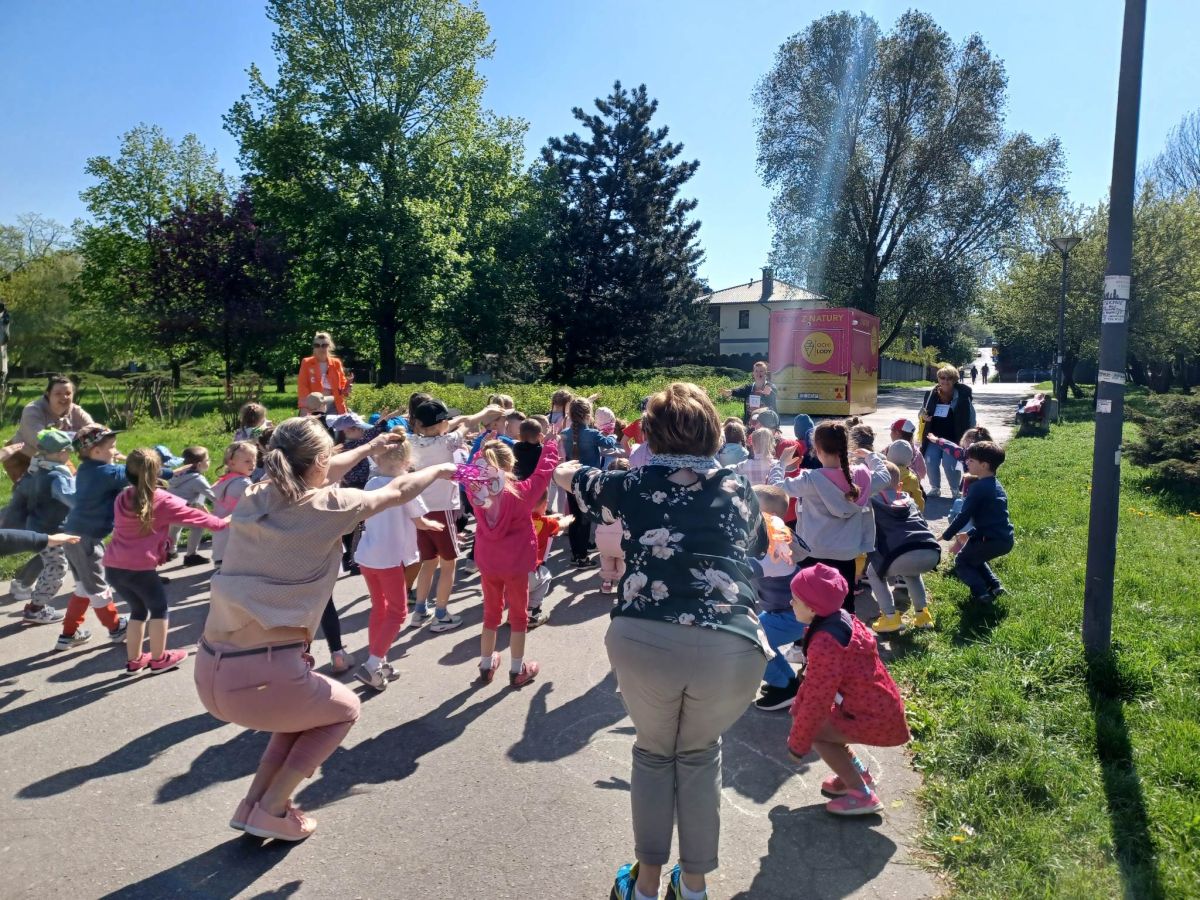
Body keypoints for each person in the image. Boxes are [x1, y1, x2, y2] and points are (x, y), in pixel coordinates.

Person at [555, 382, 770, 900]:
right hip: (731, 645)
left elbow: (570, 475)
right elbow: (757, 544)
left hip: (644, 636)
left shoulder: (629, 484)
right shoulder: (738, 489)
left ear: (649, 435)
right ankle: (693, 887)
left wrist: (572, 463)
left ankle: (645, 886)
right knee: (698, 754)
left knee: (654, 755)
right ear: (713, 431)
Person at [194, 416, 454, 841]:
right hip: (264, 674)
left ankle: (254, 805)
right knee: (345, 708)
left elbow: (320, 470)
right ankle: (274, 806)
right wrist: (438, 470)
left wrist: (370, 448)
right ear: (318, 462)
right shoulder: (327, 508)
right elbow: (398, 490)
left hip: (212, 669)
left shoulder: (258, 493)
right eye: (328, 457)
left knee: (300, 717)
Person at [787, 564, 910, 815]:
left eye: (795, 600)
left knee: (818, 734)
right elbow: (814, 684)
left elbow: (817, 698)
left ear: (812, 608)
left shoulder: (825, 643)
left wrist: (798, 742)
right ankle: (857, 776)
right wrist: (798, 709)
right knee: (826, 727)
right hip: (875, 707)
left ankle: (862, 795)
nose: (790, 603)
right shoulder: (840, 619)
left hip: (871, 716)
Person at [105, 448, 229, 674]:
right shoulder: (161, 500)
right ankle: (159, 658)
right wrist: (233, 516)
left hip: (113, 566)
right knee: (159, 609)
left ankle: (134, 662)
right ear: (159, 472)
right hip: (140, 569)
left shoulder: (122, 496)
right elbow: (214, 523)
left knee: (138, 611)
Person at [352, 430, 445, 691]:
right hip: (390, 559)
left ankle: (378, 660)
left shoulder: (371, 485)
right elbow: (419, 520)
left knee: (379, 609)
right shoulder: (407, 487)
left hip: (368, 557)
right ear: (407, 462)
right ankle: (372, 665)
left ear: (377, 461)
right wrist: (433, 526)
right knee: (398, 612)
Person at [769, 421, 890, 612]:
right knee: (845, 601)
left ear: (816, 449)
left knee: (810, 601)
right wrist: (872, 457)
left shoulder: (811, 480)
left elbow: (776, 487)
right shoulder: (861, 477)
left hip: (813, 550)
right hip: (847, 551)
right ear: (846, 446)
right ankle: (846, 636)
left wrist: (780, 464)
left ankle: (809, 638)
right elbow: (885, 477)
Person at [469, 437, 559, 686]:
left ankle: (486, 664)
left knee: (491, 612)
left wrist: (480, 447)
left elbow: (465, 469)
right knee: (519, 616)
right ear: (511, 463)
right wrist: (551, 443)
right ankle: (517, 669)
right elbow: (544, 470)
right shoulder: (523, 492)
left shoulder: (475, 490)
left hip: (489, 560)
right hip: (516, 562)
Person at [409, 398, 504, 630]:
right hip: (443, 510)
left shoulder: (412, 441)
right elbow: (467, 423)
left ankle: (420, 610)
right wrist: (486, 411)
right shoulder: (448, 442)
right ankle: (441, 613)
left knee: (428, 562)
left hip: (420, 510)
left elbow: (454, 425)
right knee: (449, 564)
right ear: (442, 423)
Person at [56, 425, 138, 651]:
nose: (116, 450)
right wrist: (168, 470)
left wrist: (115, 458)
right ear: (95, 452)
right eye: (111, 447)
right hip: (87, 539)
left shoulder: (86, 469)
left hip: (72, 534)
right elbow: (134, 472)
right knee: (98, 588)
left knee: (84, 587)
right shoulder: (107, 473)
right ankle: (115, 628)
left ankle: (68, 634)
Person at [750, 484, 811, 711]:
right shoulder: (770, 537)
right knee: (757, 633)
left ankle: (784, 685)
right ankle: (787, 680)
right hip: (785, 611)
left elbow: (740, 570)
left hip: (793, 616)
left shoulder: (773, 547)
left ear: (770, 516)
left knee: (751, 642)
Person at [6, 430, 74, 623]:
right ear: (62, 454)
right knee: (57, 566)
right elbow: (72, 499)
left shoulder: (35, 470)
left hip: (37, 526)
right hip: (51, 529)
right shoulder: (57, 477)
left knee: (55, 560)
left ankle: (29, 592)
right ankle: (36, 608)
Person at [866, 462, 940, 633]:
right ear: (899, 485)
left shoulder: (872, 502)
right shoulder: (909, 500)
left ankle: (890, 617)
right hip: (930, 550)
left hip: (899, 554)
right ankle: (923, 616)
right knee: (912, 574)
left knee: (873, 572)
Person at [941, 441, 1013, 603]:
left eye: (971, 461)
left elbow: (964, 516)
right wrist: (971, 532)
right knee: (974, 558)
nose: (967, 462)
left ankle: (981, 594)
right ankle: (995, 586)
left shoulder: (977, 487)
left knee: (962, 561)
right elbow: (992, 519)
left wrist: (947, 535)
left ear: (984, 465)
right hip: (1003, 538)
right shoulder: (996, 485)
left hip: (989, 539)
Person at [559, 397, 617, 566]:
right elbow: (608, 443)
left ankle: (576, 554)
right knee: (585, 519)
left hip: (570, 479)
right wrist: (612, 434)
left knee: (574, 517)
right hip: (588, 481)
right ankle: (583, 557)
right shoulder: (592, 434)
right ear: (588, 414)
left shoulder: (565, 434)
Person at [5, 373, 95, 483]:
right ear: (48, 394)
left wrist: (102, 442)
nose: (64, 397)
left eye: (68, 393)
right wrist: (77, 441)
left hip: (56, 457)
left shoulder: (76, 411)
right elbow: (42, 440)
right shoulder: (32, 410)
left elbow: (94, 431)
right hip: (22, 456)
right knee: (30, 493)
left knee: (74, 484)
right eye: (58, 393)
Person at [919, 366, 976, 499]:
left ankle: (955, 490)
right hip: (933, 437)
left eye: (949, 378)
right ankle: (935, 488)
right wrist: (923, 417)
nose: (945, 381)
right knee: (930, 459)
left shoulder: (962, 396)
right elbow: (921, 412)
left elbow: (971, 417)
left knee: (949, 462)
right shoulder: (930, 394)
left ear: (955, 380)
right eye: (942, 378)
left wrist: (970, 435)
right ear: (938, 378)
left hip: (954, 437)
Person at [212, 441, 257, 571]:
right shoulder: (242, 483)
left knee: (223, 561)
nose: (253, 464)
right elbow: (255, 502)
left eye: (254, 460)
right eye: (247, 461)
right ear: (232, 463)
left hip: (220, 526)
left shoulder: (225, 480)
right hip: (236, 528)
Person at [168, 446, 216, 566]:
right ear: (199, 465)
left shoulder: (177, 475)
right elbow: (214, 497)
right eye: (208, 459)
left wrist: (203, 509)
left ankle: (170, 551)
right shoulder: (198, 480)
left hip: (167, 511)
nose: (209, 462)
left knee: (174, 527)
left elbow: (197, 500)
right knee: (198, 525)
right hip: (179, 511)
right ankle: (191, 556)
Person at [595, 457, 630, 593]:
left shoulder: (600, 492)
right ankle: (622, 584)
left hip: (602, 537)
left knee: (607, 558)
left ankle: (607, 583)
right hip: (622, 538)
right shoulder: (630, 492)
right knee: (623, 560)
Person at [297, 332, 352, 414]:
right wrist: (305, 407)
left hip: (334, 405)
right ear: (313, 347)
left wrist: (347, 388)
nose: (320, 348)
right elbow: (302, 386)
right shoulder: (306, 362)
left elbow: (342, 385)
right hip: (314, 405)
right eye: (317, 345)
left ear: (329, 346)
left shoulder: (336, 363)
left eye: (324, 345)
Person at [888, 418, 927, 483]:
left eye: (891, 431)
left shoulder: (888, 449)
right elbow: (922, 473)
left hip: (892, 485)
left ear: (897, 433)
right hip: (912, 486)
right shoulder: (916, 452)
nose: (890, 434)